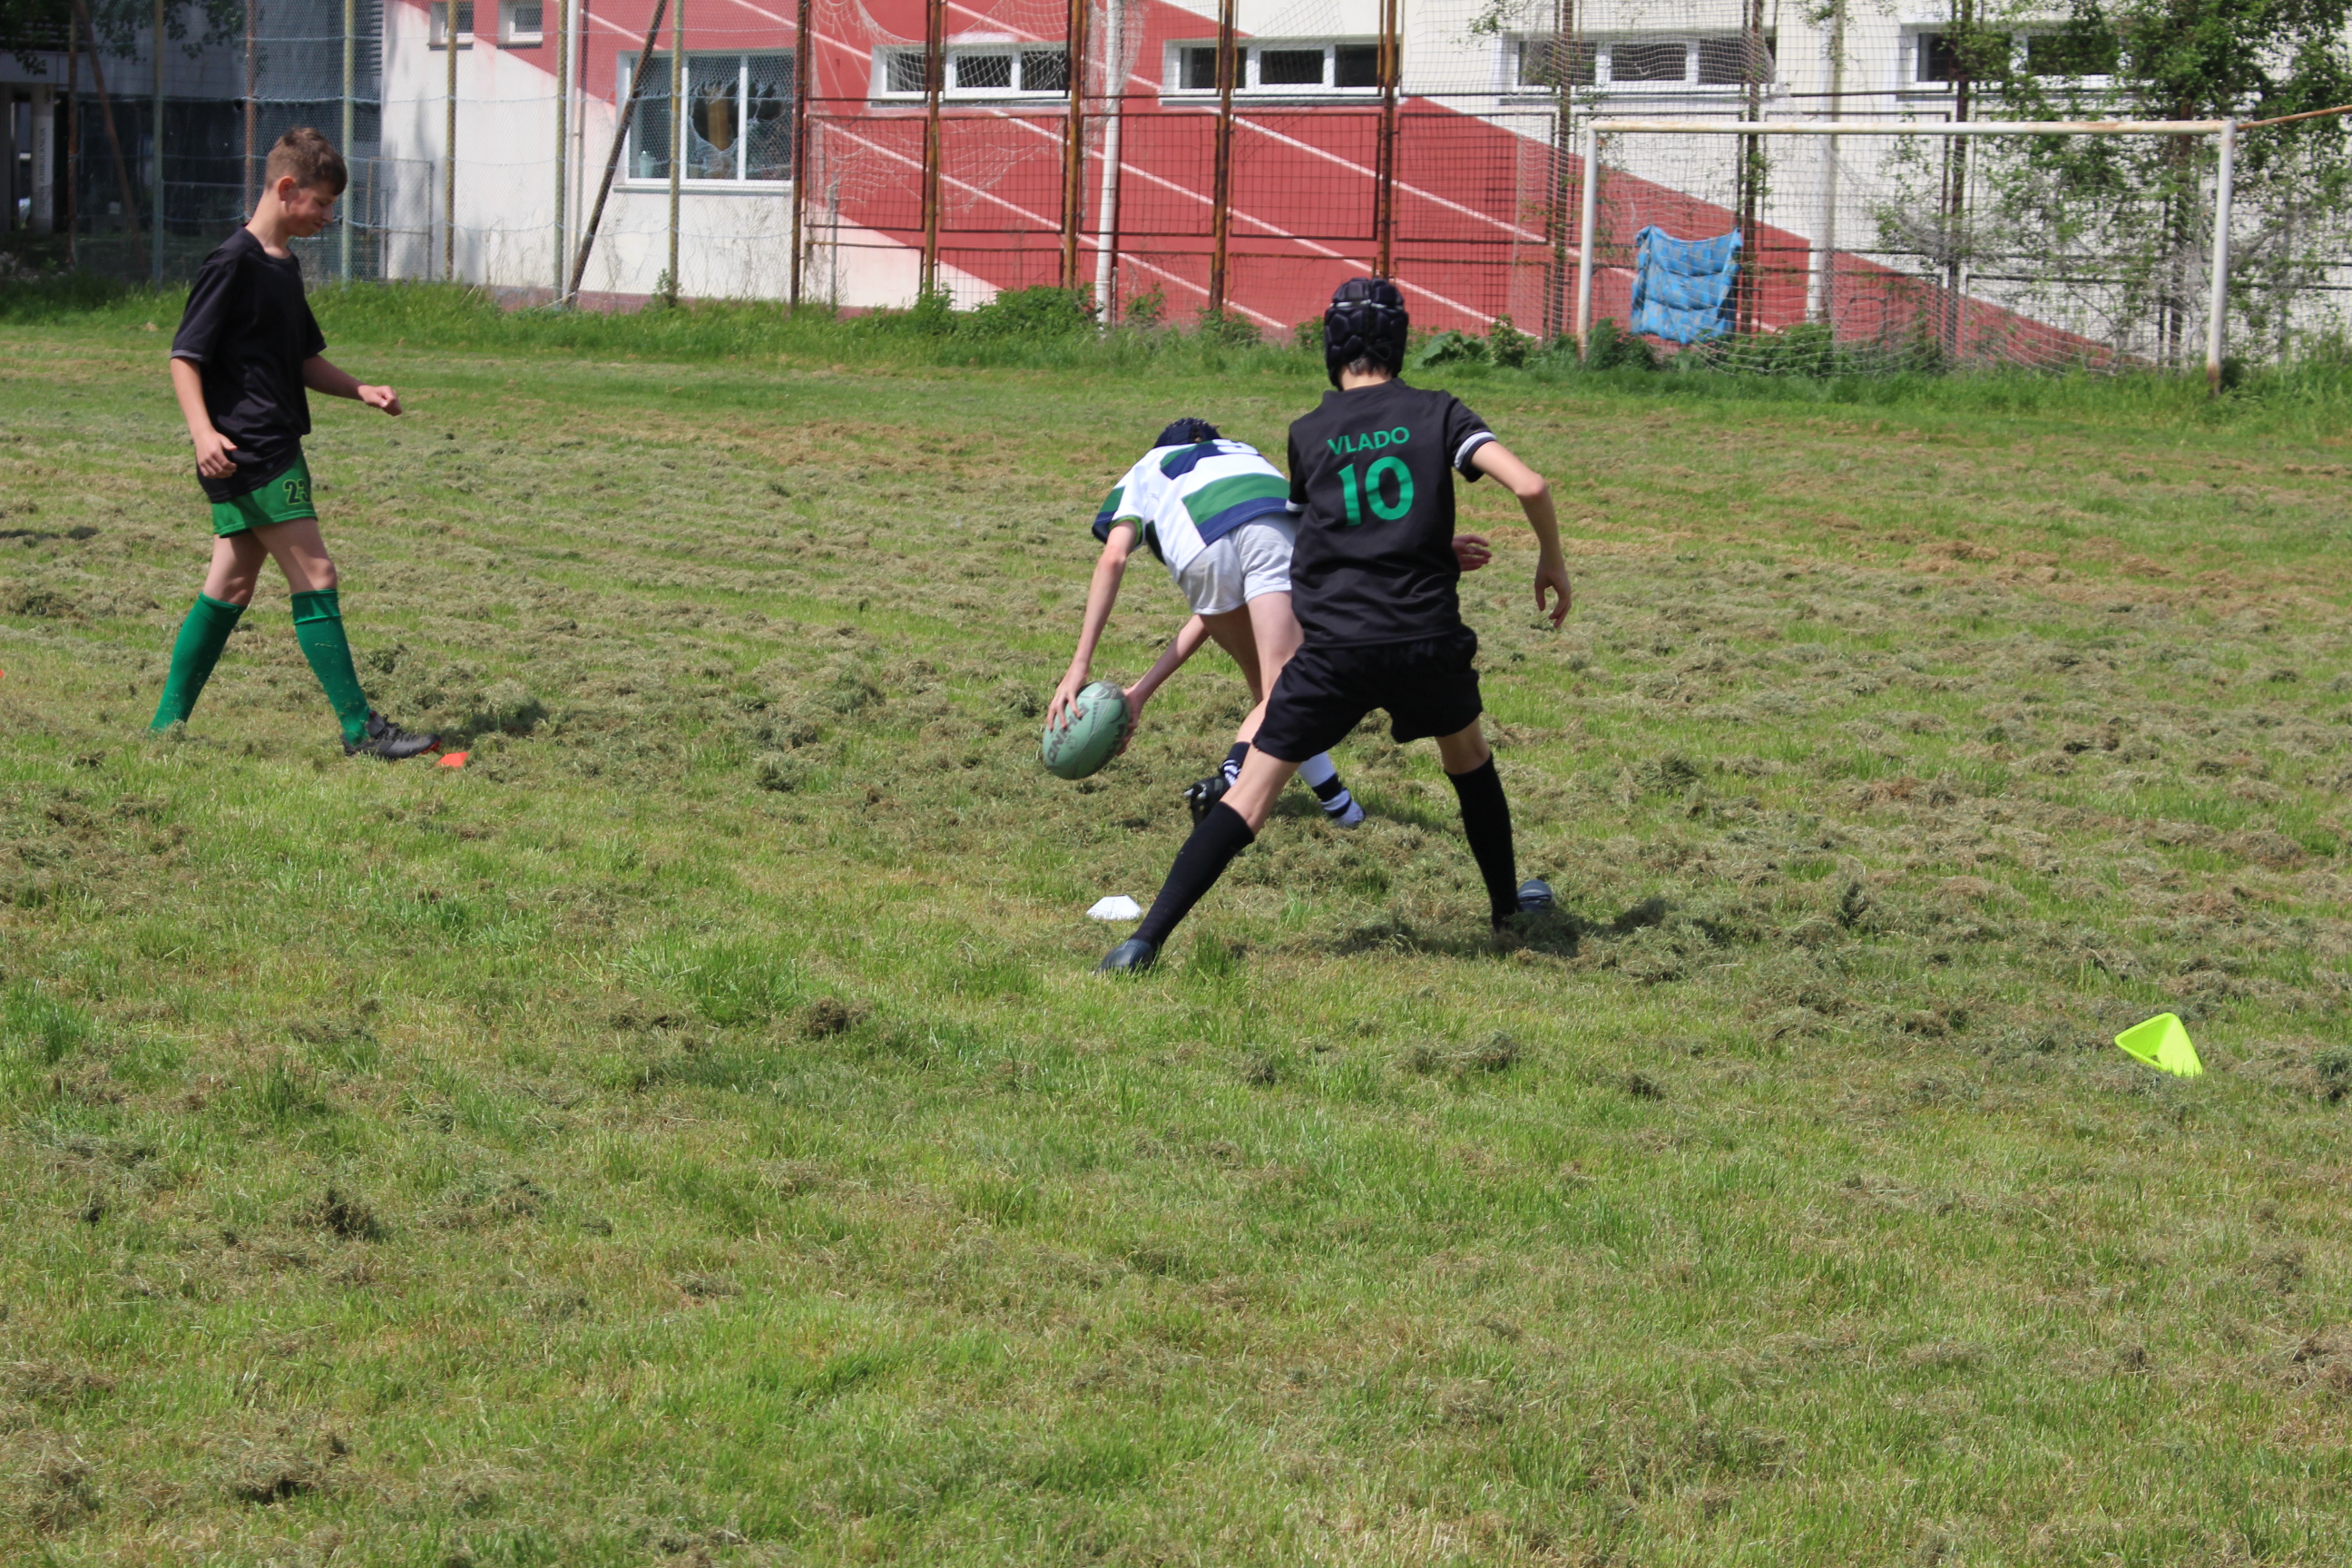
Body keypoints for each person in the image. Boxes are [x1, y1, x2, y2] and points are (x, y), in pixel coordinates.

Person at [1098, 279, 1572, 974]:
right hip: (1424, 637)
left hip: (1335, 650)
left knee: (1251, 796)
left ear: (1331, 348)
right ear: (1399, 343)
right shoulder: (1438, 411)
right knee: (1468, 759)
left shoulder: (1309, 433)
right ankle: (1506, 910)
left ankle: (1143, 942)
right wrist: (1549, 560)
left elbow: (1322, 540)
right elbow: (1530, 485)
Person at [152, 126, 437, 760]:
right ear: (287, 188)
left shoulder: (283, 266)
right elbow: (184, 356)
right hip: (252, 449)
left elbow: (302, 359)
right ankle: (361, 730)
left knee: (230, 586)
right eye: (323, 203)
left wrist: (360, 389)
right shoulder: (232, 262)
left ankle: (164, 729)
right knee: (316, 573)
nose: (329, 217)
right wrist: (202, 433)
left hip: (270, 441)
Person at [1050, 418, 1363, 829]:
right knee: (1283, 692)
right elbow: (1211, 615)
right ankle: (1237, 776)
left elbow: (1114, 558)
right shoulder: (1244, 453)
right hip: (1274, 528)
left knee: (1271, 692)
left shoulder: (1150, 464)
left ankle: (1338, 805)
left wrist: (1080, 666)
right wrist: (1140, 691)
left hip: (1198, 549)